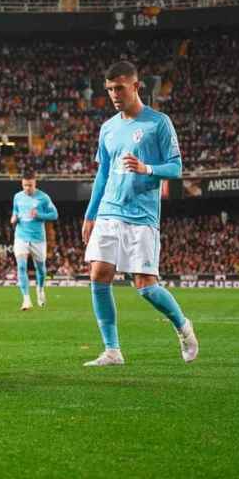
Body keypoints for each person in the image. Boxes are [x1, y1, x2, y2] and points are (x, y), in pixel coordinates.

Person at [81, 60, 198, 367]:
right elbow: (102, 174)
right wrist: (90, 214)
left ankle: (182, 326)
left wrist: (147, 168)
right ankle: (112, 350)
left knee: (145, 286)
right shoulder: (108, 128)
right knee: (98, 275)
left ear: (136, 85)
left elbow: (176, 167)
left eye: (119, 88)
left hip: (141, 215)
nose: (114, 94)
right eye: (109, 90)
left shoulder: (158, 122)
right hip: (109, 210)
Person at [10, 172, 59, 310]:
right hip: (21, 236)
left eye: (30, 185)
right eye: (25, 185)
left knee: (41, 270)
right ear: (22, 184)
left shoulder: (43, 198)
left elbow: (54, 215)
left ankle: (40, 289)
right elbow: (15, 212)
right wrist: (14, 218)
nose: (27, 188)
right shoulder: (17, 197)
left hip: (38, 238)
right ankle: (26, 300)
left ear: (35, 184)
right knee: (21, 267)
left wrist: (39, 215)